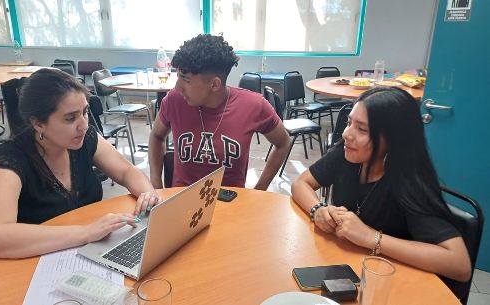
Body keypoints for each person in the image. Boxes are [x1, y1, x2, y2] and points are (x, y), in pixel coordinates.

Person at [291, 86, 471, 282]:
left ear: (393, 139)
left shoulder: (408, 183)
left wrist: (371, 238)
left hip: (392, 282)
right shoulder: (347, 154)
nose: (346, 134)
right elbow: (301, 183)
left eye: (361, 129)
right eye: (349, 123)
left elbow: (459, 265)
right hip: (349, 270)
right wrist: (317, 210)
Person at [0, 68, 159, 259]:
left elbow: (126, 171)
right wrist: (86, 232)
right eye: (70, 118)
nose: (84, 125)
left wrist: (147, 193)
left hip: (80, 254)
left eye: (85, 112)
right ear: (38, 123)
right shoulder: (11, 158)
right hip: (28, 263)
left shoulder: (83, 138)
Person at [148, 34, 291, 189]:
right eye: (178, 77)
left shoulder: (253, 105)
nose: (178, 87)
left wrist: (260, 189)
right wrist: (155, 183)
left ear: (215, 84)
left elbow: (283, 143)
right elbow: (156, 136)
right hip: (182, 202)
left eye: (186, 80)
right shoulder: (175, 100)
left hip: (230, 203)